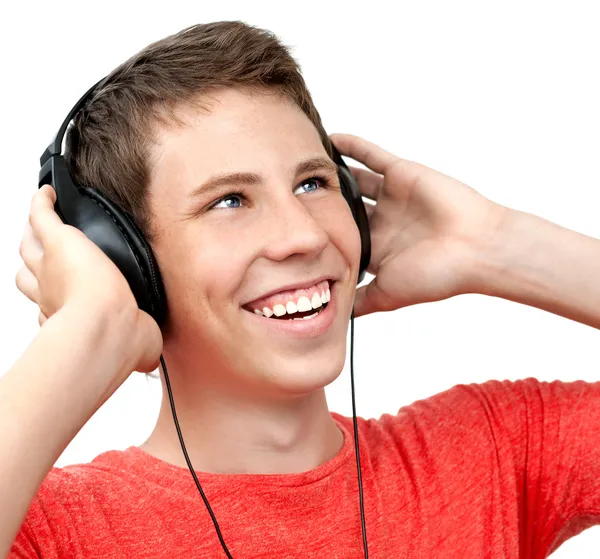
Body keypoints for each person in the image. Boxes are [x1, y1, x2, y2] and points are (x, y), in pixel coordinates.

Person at [3, 20, 600, 558]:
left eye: (313, 183)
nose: (302, 235)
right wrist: (87, 330)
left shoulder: (491, 448)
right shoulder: (56, 531)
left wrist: (496, 245)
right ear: (128, 260)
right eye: (229, 200)